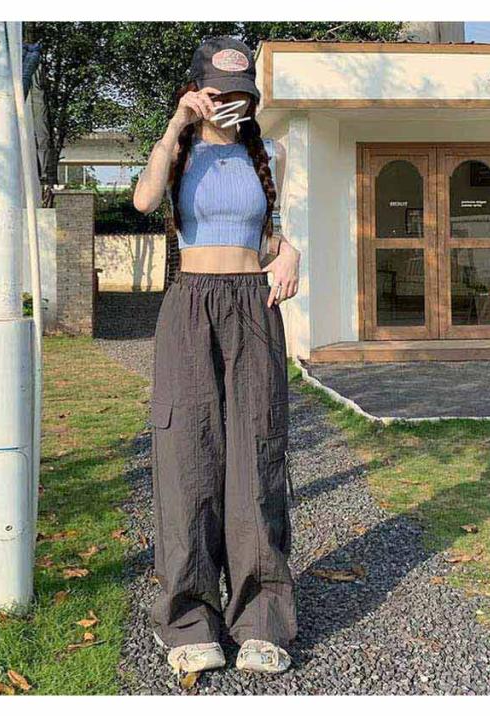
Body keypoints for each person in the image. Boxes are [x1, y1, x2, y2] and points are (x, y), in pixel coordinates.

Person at [133, 36, 300, 677]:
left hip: (253, 305)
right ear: (196, 92)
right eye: (218, 94)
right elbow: (144, 201)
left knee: (258, 451)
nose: (232, 104)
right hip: (190, 305)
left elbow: (271, 234)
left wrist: (290, 252)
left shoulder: (269, 152)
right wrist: (178, 123)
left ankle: (261, 620)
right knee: (188, 456)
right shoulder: (178, 151)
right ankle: (189, 620)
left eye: (242, 96)